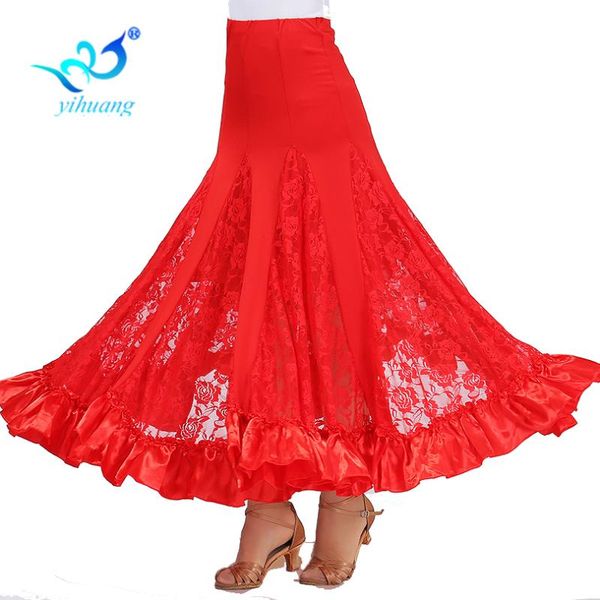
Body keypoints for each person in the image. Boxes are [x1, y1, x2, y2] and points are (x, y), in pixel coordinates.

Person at [1, 0, 599, 591]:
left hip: (309, 80)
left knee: (330, 278)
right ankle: (270, 509)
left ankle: (344, 495)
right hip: (247, 79)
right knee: (254, 285)